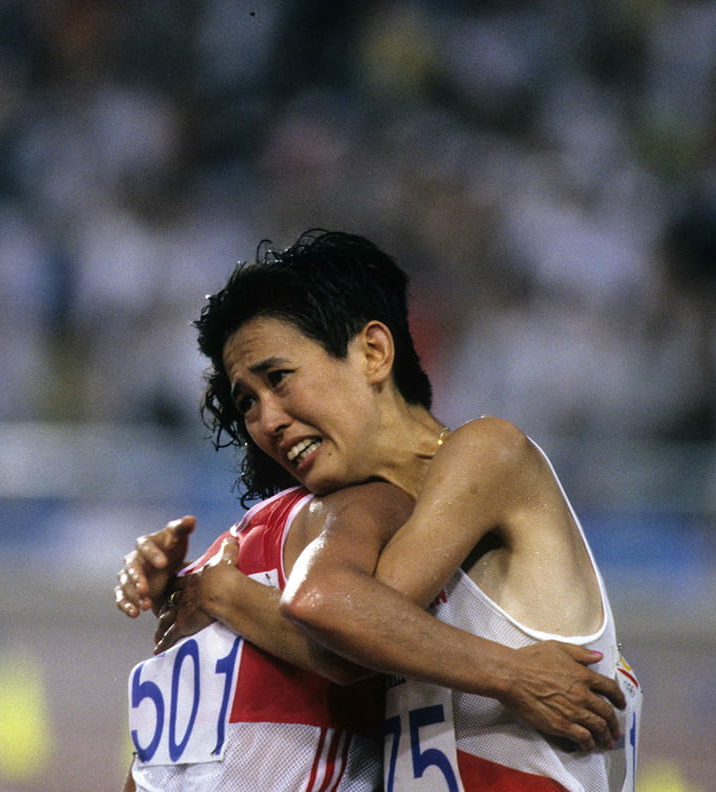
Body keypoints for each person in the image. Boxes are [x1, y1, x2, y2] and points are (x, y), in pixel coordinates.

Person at [116, 230, 637, 791]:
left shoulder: (489, 450)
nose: (267, 420)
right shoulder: (364, 530)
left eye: (278, 378)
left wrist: (225, 593)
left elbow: (334, 618)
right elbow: (342, 645)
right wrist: (186, 588)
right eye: (248, 402)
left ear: (373, 352)